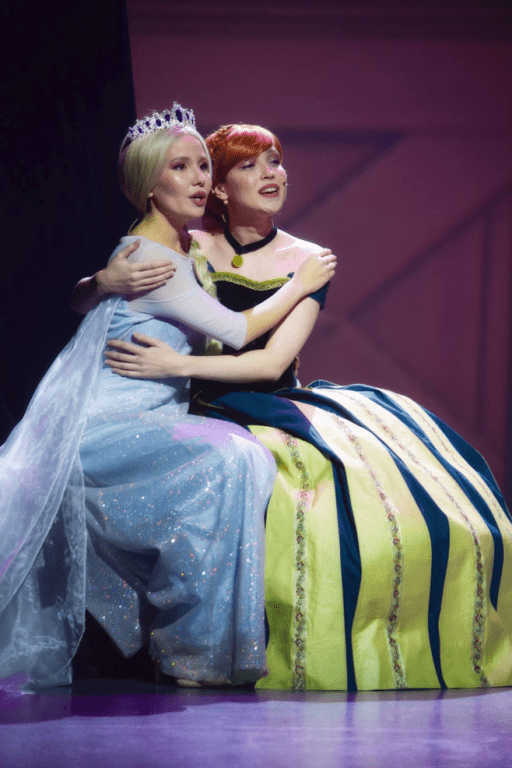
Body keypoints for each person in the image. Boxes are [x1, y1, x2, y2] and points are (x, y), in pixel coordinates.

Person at [74, 123, 512, 692]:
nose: (271, 174)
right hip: (192, 408)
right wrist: (100, 280)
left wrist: (177, 364)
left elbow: (269, 362)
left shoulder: (308, 260)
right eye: (250, 165)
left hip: (264, 401)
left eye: (276, 161)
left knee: (359, 506)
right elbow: (104, 291)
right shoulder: (189, 242)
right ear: (222, 189)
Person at [0, 109, 336, 691]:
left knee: (234, 461)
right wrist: (300, 285)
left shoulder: (175, 244)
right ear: (149, 185)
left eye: (203, 166)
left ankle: (195, 645)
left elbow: (88, 295)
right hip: (108, 424)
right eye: (181, 168)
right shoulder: (156, 256)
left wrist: (97, 283)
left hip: (145, 417)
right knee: (234, 459)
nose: (199, 178)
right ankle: (196, 650)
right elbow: (236, 331)